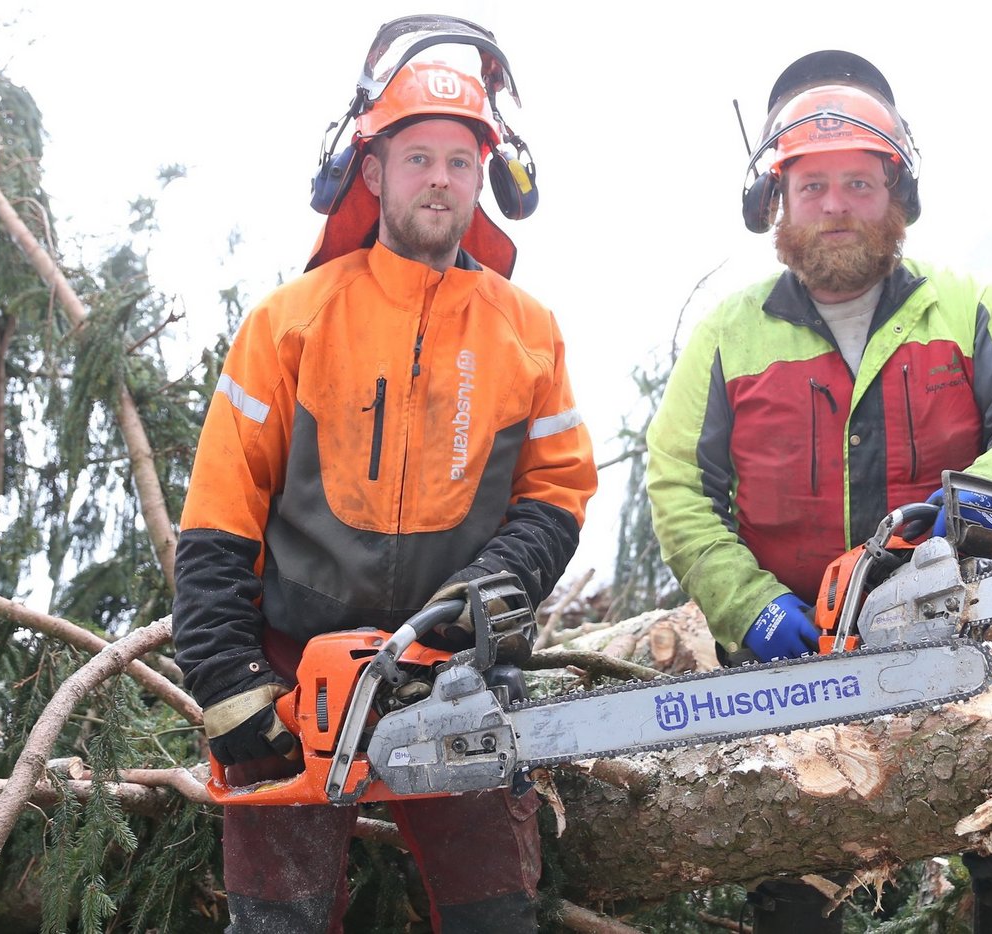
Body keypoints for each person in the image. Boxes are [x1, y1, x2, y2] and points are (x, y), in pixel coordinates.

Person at [646, 50, 992, 933]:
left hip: (967, 633)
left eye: (858, 183)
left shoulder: (966, 308)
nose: (837, 207)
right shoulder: (730, 337)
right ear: (777, 202)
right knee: (791, 892)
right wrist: (753, 609)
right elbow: (680, 488)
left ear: (896, 195)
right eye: (813, 187)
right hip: (800, 661)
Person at [172, 18, 596, 933]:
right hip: (296, 669)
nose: (439, 178)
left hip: (454, 668)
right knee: (276, 922)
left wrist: (498, 582)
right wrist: (231, 684)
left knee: (496, 916)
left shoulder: (527, 330)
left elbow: (558, 489)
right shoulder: (291, 322)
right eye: (416, 158)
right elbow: (217, 516)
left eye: (458, 159)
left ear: (486, 176)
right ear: (372, 173)